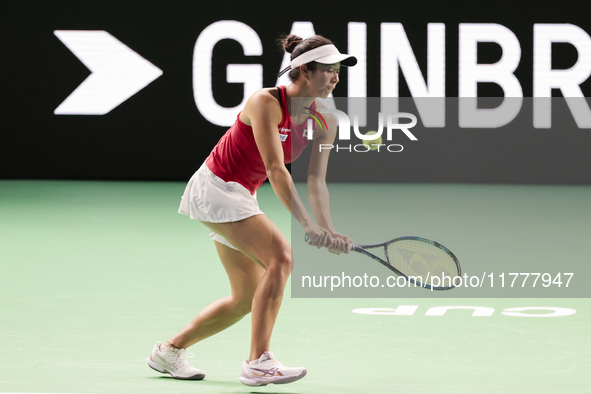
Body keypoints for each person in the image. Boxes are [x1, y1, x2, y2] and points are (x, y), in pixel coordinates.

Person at [147, 34, 357, 387]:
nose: (336, 77)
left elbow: (317, 182)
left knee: (245, 297)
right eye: (328, 70)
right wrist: (306, 225)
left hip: (242, 195)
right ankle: (258, 363)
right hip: (216, 187)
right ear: (305, 70)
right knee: (282, 258)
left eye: (338, 70)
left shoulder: (327, 120)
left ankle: (168, 351)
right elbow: (276, 169)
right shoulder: (266, 102)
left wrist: (329, 230)